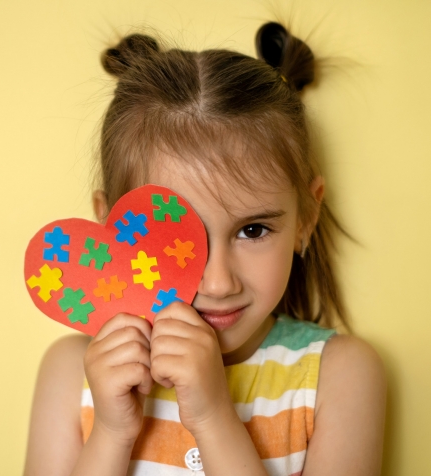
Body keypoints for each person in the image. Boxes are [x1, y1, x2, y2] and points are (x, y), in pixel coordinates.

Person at [23, 22, 386, 476]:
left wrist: (213, 417)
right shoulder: (72, 371)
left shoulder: (339, 375)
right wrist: (111, 432)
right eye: (171, 241)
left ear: (305, 220)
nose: (217, 283)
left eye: (253, 230)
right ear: (113, 231)